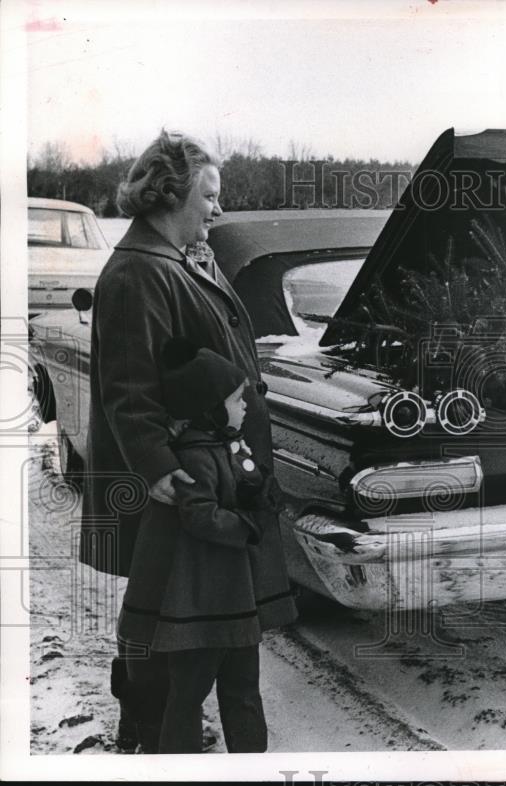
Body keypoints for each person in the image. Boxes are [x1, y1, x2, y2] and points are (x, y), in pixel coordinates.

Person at [82, 130, 296, 752]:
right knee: (165, 621)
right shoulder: (138, 271)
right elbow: (128, 387)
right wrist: (156, 468)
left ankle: (152, 732)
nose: (218, 209)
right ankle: (149, 737)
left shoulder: (175, 262)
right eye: (209, 195)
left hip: (204, 473)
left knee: (177, 621)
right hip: (177, 489)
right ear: (170, 193)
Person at [117, 339, 287, 753]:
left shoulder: (228, 447)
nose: (244, 407)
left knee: (244, 689)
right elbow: (200, 516)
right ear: (208, 408)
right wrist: (246, 526)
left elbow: (249, 490)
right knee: (188, 694)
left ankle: (252, 765)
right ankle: (180, 764)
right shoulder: (194, 458)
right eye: (236, 400)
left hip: (236, 602)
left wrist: (263, 492)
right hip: (200, 611)